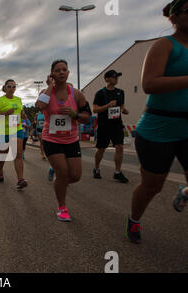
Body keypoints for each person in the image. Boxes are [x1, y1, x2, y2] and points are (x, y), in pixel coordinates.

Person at [127, 0, 188, 244]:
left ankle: (184, 191)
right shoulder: (165, 45)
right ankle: (134, 218)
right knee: (153, 186)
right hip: (158, 130)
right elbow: (149, 84)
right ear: (173, 18)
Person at [36, 60, 92, 222]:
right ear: (52, 74)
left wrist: (74, 114)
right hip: (51, 139)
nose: (61, 72)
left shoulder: (77, 94)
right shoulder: (46, 94)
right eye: (57, 70)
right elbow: (39, 106)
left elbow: (87, 118)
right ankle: (62, 207)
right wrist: (49, 86)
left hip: (71, 139)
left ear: (68, 73)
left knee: (75, 176)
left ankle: (57, 180)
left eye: (64, 70)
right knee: (63, 172)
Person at [92, 70, 130, 183]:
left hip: (117, 124)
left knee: (120, 147)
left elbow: (122, 106)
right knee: (101, 149)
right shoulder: (100, 93)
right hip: (104, 125)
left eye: (117, 77)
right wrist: (108, 105)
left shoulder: (120, 92)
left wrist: (124, 110)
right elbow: (95, 109)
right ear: (107, 79)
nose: (116, 79)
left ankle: (117, 172)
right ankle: (96, 168)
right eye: (114, 77)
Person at [0, 79, 28, 190]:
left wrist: (24, 115)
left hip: (17, 129)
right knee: (4, 154)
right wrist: (6, 113)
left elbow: (21, 112)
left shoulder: (19, 100)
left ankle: (20, 180)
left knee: (18, 154)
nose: (12, 88)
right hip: (3, 131)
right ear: (5, 88)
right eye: (9, 86)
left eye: (14, 86)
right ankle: (0, 170)